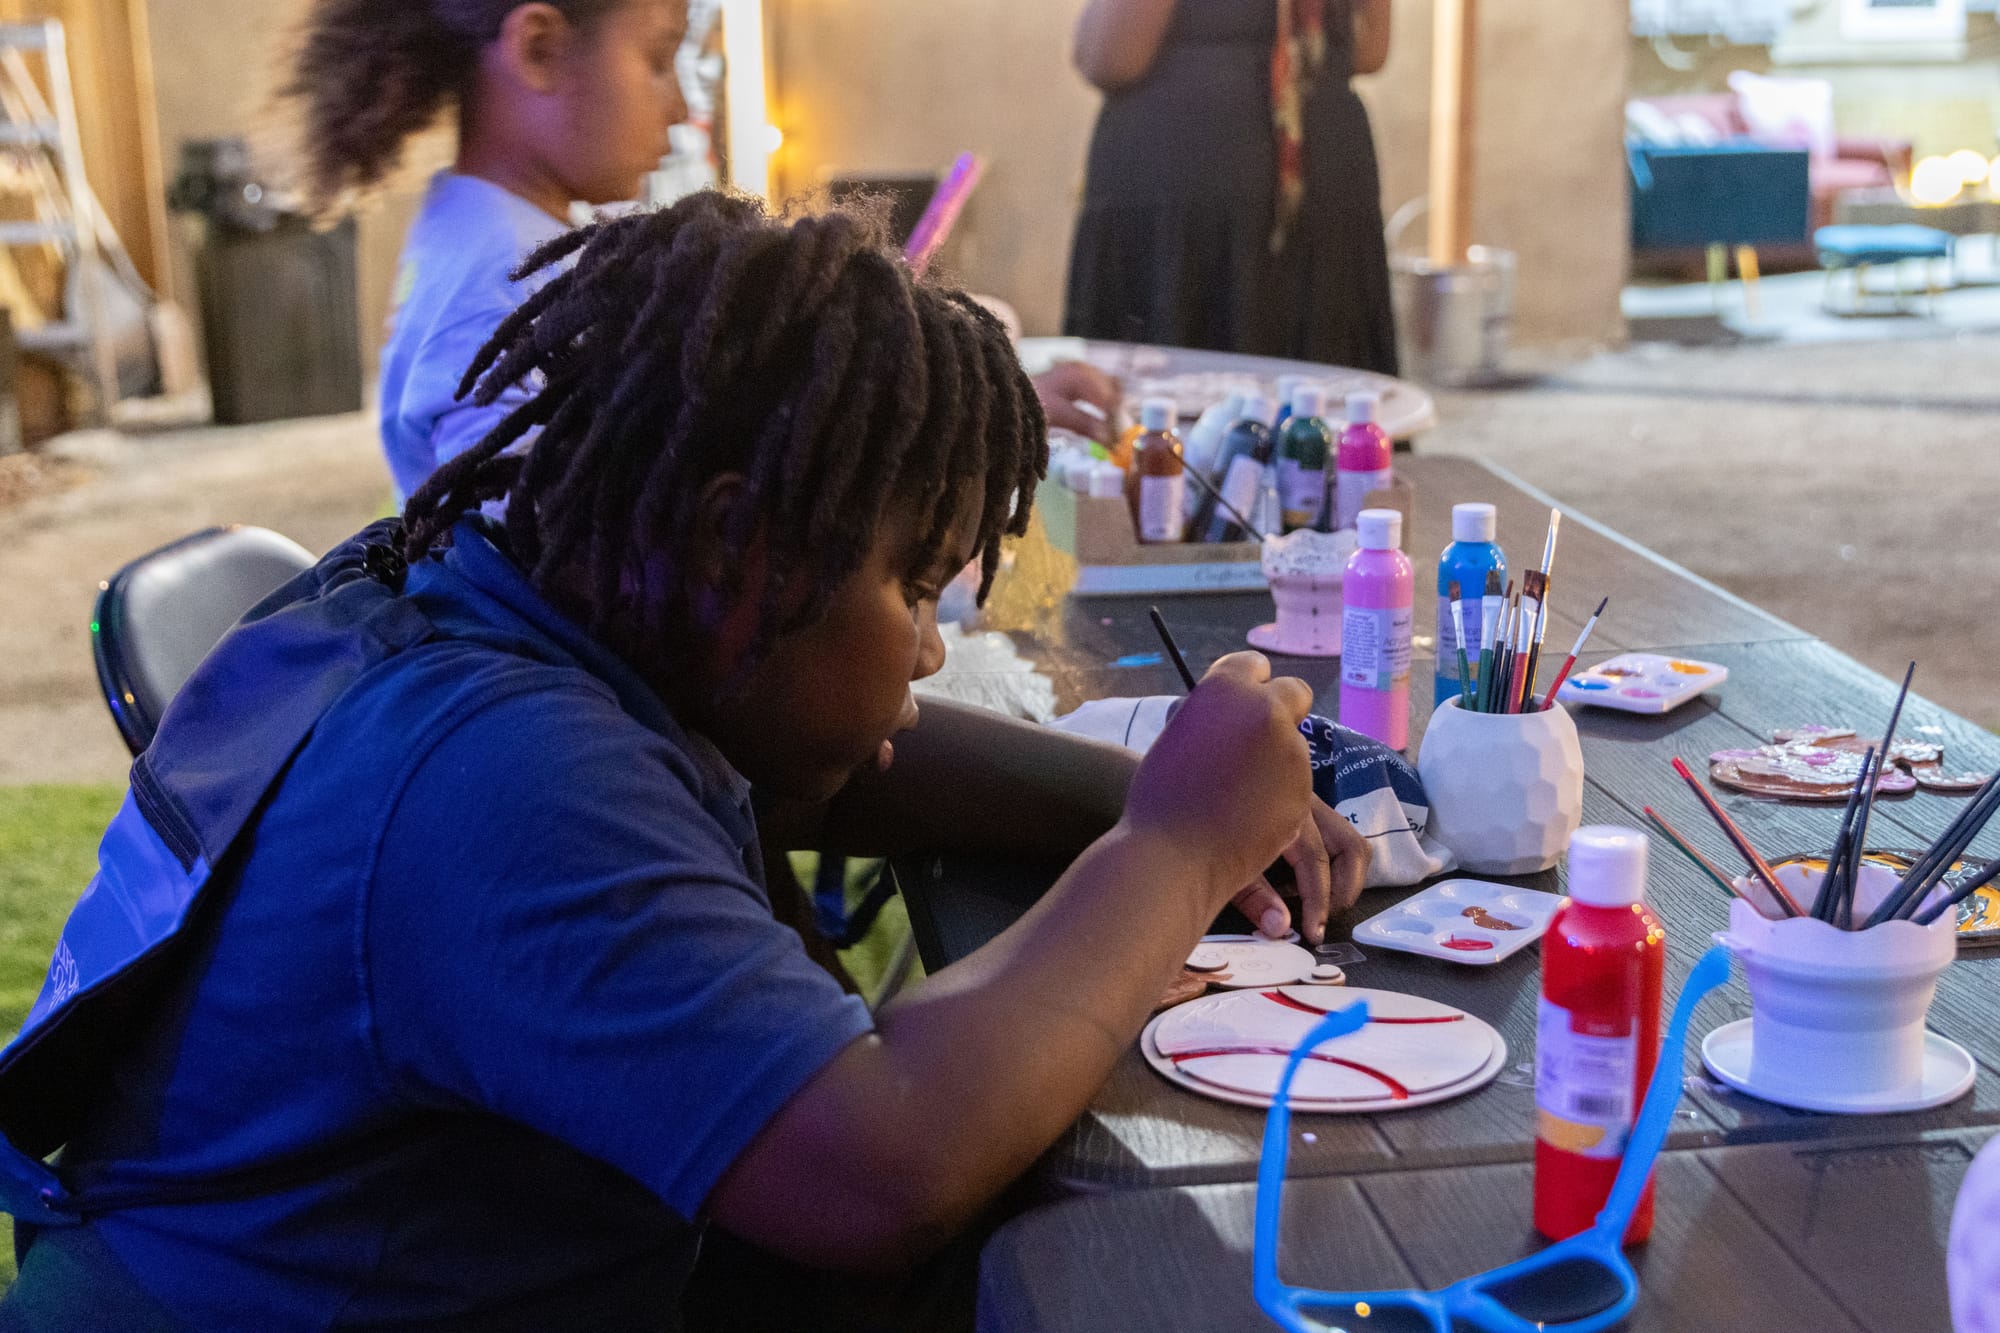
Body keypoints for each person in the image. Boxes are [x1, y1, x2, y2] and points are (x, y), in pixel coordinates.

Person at [0, 194, 1367, 1329]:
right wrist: (1176, 847)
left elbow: (843, 755)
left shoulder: (517, 601)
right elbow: (882, 1172)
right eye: (918, 590)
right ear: (731, 549)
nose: (932, 652)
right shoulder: (505, 782)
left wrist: (1144, 791)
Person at [280, 0, 1120, 505]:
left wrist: (941, 402)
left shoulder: (510, 242)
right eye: (657, 58)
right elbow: (547, 578)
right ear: (538, 49)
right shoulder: (499, 290)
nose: (681, 107)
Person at [1064, 0, 1400, 374]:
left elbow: (1111, 56)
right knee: (1323, 401)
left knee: (1166, 412)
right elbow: (1367, 50)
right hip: (1324, 161)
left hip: (1194, 176)